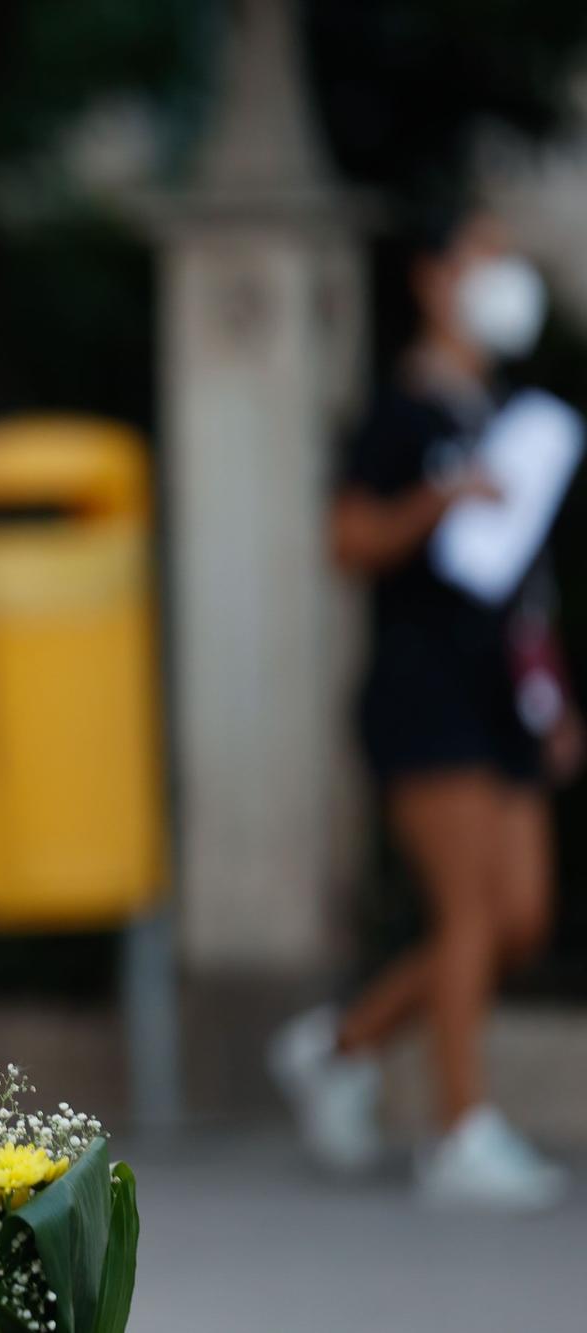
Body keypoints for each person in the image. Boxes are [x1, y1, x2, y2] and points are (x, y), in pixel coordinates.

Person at [268, 206, 580, 1212]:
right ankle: (458, 1133)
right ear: (432, 278)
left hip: (502, 705)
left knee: (516, 920)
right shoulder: (399, 413)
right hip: (421, 696)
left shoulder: (505, 413)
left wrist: (552, 695)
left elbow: (523, 584)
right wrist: (437, 503)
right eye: (482, 254)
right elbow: (347, 540)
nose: (502, 276)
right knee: (467, 912)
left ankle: (338, 1044)